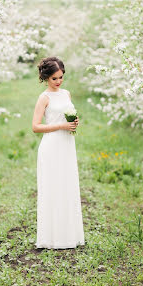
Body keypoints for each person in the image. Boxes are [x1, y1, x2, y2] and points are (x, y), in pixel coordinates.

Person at [32, 56, 85, 249]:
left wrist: (74, 121)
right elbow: (35, 127)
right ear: (46, 77)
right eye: (55, 78)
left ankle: (69, 236)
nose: (59, 81)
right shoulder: (44, 98)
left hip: (67, 145)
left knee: (67, 186)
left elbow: (67, 113)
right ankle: (51, 238)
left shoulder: (66, 94)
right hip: (52, 146)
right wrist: (61, 125)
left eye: (61, 77)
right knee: (53, 188)